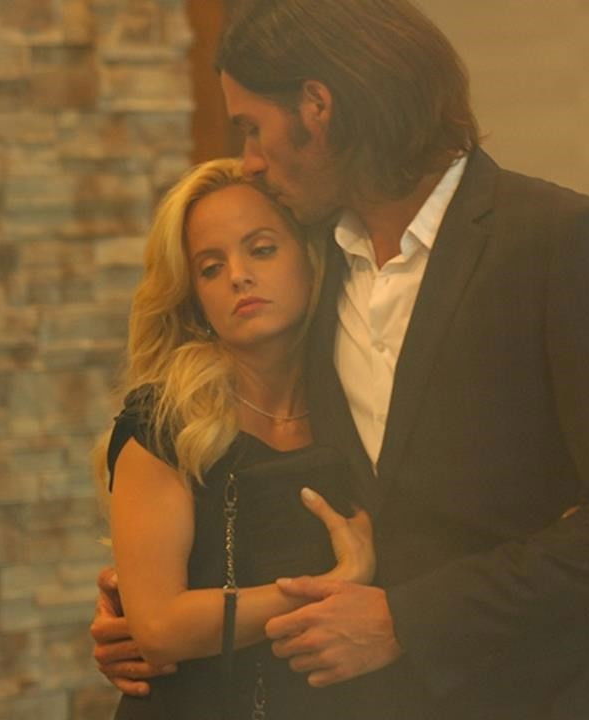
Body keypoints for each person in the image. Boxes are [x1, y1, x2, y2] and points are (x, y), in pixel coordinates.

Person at [92, 1, 589, 718]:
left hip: (553, 697)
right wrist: (153, 619)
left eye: (252, 127)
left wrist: (408, 621)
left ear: (317, 108)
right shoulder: (315, 271)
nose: (250, 158)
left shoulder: (558, 240)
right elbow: (275, 480)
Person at [96, 156, 382, 719]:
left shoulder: (360, 405)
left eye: (262, 249)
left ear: (310, 257)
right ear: (195, 300)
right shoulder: (166, 423)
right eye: (210, 267)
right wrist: (337, 583)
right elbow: (157, 628)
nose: (238, 276)